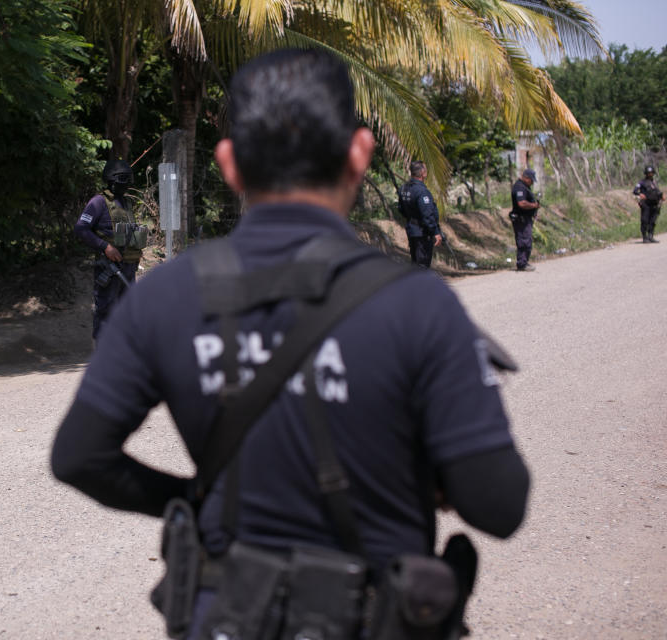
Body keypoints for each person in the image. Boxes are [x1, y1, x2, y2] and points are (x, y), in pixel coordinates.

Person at [51, 49, 529, 638]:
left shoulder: (165, 297)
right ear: (359, 152)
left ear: (229, 164)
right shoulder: (419, 305)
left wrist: (198, 499)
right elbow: (500, 505)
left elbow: (78, 456)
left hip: (226, 618)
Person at [74, 159, 143, 341]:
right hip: (109, 268)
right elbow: (81, 228)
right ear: (112, 180)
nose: (126, 184)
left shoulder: (126, 203)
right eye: (123, 179)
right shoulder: (98, 202)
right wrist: (105, 247)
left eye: (128, 179)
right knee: (106, 311)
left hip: (128, 267)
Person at [398, 160, 443, 267]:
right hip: (422, 233)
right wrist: (435, 232)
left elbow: (401, 209)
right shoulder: (422, 191)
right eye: (426, 169)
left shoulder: (404, 189)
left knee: (416, 263)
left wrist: (412, 219)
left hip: (412, 231)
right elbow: (427, 215)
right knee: (422, 264)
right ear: (423, 173)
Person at [510, 168, 540, 271]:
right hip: (521, 219)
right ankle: (522, 264)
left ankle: (524, 262)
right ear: (526, 178)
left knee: (527, 240)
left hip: (525, 218)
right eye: (531, 180)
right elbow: (521, 203)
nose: (531, 183)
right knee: (523, 241)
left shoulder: (524, 187)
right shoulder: (519, 187)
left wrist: (534, 211)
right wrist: (534, 205)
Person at [632, 165, 663, 243]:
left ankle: (651, 236)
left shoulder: (654, 182)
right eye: (649, 173)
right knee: (645, 220)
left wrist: (662, 197)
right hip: (646, 204)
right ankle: (644, 237)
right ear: (646, 173)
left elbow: (658, 192)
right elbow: (635, 191)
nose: (650, 174)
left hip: (654, 204)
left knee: (652, 221)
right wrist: (640, 194)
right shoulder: (641, 182)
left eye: (651, 173)